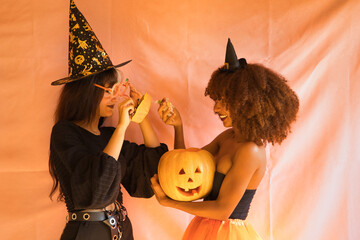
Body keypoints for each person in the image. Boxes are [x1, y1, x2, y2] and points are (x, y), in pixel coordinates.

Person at [151, 38, 299, 240]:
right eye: (216, 100)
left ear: (246, 104)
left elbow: (223, 210)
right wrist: (178, 126)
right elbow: (184, 166)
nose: (216, 108)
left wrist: (170, 203)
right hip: (203, 229)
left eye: (223, 101)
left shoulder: (250, 151)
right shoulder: (227, 137)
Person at [49, 1, 168, 239]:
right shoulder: (65, 133)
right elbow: (95, 191)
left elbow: (152, 173)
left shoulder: (108, 136)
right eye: (109, 90)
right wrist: (123, 126)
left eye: (118, 89)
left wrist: (142, 117)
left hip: (122, 229)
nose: (116, 97)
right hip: (88, 232)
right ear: (87, 92)